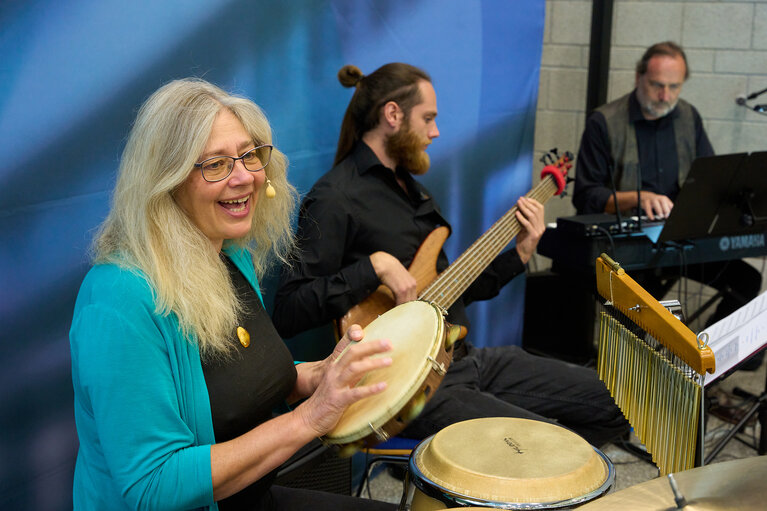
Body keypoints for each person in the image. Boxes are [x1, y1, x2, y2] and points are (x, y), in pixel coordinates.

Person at [69, 78, 398, 511]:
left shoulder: (229, 253)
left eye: (248, 155)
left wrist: (318, 376)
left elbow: (239, 378)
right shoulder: (117, 300)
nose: (245, 177)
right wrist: (308, 418)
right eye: (215, 164)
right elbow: (153, 486)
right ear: (165, 181)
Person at [272, 63, 629, 448]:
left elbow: (449, 291)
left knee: (620, 402)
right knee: (545, 447)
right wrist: (372, 267)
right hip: (412, 386)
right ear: (393, 115)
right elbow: (290, 310)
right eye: (428, 118)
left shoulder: (415, 193)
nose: (435, 131)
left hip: (465, 358)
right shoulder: (335, 197)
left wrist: (521, 254)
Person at [573, 41, 762, 350]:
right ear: (638, 77)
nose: (665, 96)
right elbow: (586, 196)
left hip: (678, 242)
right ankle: (628, 388)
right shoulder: (604, 122)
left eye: (674, 87)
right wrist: (639, 197)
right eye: (657, 86)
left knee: (746, 282)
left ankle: (704, 366)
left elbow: (710, 180)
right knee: (635, 312)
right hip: (626, 250)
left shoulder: (688, 116)